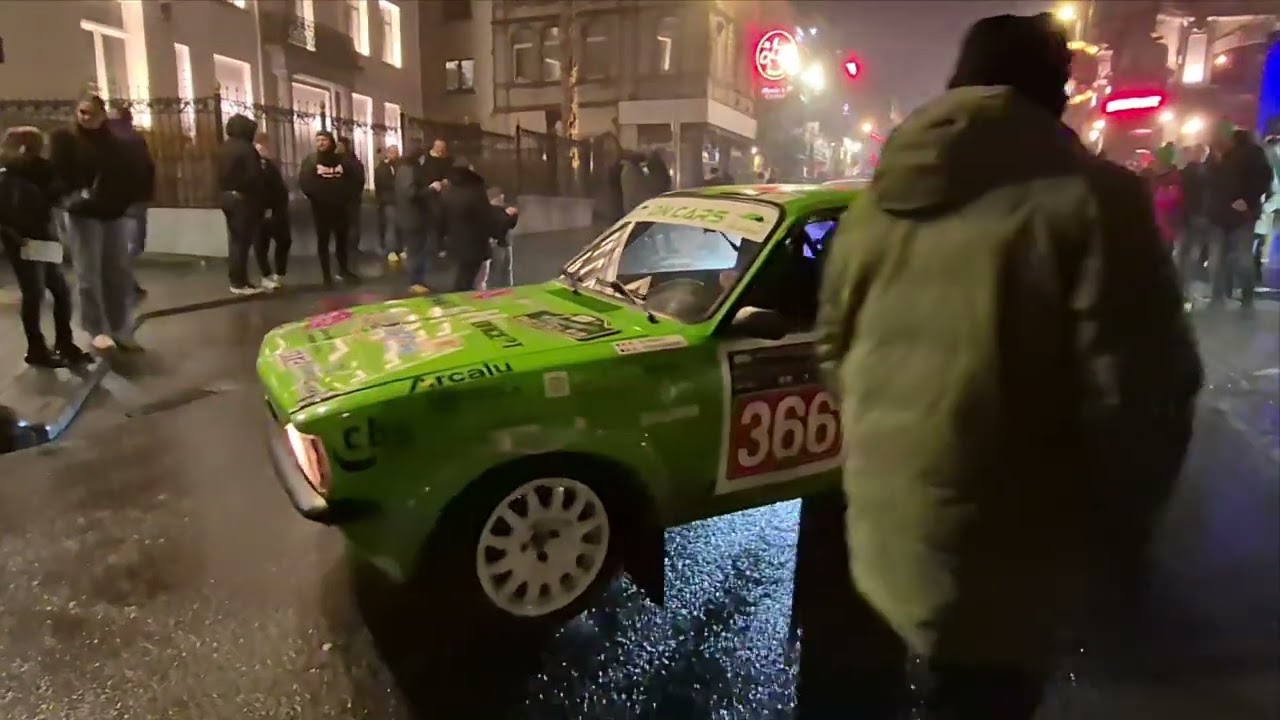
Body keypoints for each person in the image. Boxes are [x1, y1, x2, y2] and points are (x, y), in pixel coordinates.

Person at [815, 13, 1201, 719]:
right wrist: (1120, 539)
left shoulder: (873, 210)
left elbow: (833, 356)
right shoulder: (1098, 203)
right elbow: (1146, 394)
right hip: (1013, 557)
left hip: (885, 535)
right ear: (1054, 93)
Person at [49, 93, 142, 351]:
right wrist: (71, 197)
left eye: (91, 113)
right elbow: (56, 174)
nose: (85, 118)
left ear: (102, 115)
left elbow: (126, 173)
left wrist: (125, 199)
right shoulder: (65, 139)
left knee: (117, 271)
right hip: (83, 213)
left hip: (112, 211)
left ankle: (119, 326)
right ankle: (95, 327)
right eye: (81, 112)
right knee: (88, 272)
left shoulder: (113, 142)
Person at [0, 126, 91, 367]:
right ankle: (37, 349)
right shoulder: (8, 174)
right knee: (35, 294)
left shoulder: (41, 170)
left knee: (58, 291)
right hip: (24, 240)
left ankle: (63, 342)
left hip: (39, 236)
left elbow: (54, 196)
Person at [1206, 123, 1273, 308]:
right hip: (1220, 214)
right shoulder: (1217, 156)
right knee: (1218, 259)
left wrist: (1248, 199)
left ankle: (1245, 296)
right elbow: (1212, 184)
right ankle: (1218, 296)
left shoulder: (1251, 153)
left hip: (1242, 214)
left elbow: (1264, 178)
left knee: (1241, 258)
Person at [440, 159, 516, 292]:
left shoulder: (450, 192)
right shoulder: (475, 192)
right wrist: (504, 219)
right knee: (471, 280)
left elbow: (441, 218)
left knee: (464, 277)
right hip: (475, 245)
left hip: (456, 243)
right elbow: (485, 218)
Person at [299, 130, 361, 285]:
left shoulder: (342, 161)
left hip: (341, 207)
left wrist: (346, 197)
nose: (320, 143)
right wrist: (318, 197)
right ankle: (326, 275)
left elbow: (354, 179)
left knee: (342, 240)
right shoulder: (311, 161)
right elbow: (306, 182)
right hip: (321, 209)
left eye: (324, 140)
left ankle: (343, 270)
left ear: (330, 141)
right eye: (318, 140)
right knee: (323, 241)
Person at [107, 104, 155, 299]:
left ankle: (124, 282)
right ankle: (122, 283)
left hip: (113, 200)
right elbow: (146, 167)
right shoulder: (132, 139)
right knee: (133, 244)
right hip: (134, 199)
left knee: (119, 243)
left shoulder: (105, 138)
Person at [216, 114, 267, 295]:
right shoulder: (246, 149)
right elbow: (254, 176)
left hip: (226, 197)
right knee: (242, 242)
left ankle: (238, 280)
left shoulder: (224, 148)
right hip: (243, 200)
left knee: (235, 240)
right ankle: (239, 282)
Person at [254, 132, 290, 289]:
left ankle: (279, 273)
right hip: (263, 210)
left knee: (284, 240)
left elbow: (278, 187)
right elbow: (259, 187)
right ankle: (266, 274)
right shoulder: (255, 164)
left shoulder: (270, 164)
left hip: (278, 210)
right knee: (262, 243)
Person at [394, 146, 431, 293]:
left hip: (410, 216)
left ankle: (417, 280)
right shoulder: (409, 170)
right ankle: (415, 282)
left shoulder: (403, 169)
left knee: (416, 249)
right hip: (413, 217)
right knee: (417, 250)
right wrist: (431, 189)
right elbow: (411, 193)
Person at [1177, 143, 1212, 296]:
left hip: (1185, 215)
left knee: (1183, 252)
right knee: (1193, 253)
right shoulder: (1208, 173)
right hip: (1200, 216)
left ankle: (1181, 286)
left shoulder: (1183, 173)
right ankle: (1187, 289)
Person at [336, 136, 366, 259]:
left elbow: (359, 179)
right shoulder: (354, 161)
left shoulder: (345, 161)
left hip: (347, 198)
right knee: (350, 224)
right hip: (348, 198)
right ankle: (350, 247)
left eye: (339, 146)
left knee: (349, 224)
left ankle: (349, 248)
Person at [373, 144, 401, 263]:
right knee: (391, 225)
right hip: (388, 200)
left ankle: (397, 247)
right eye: (393, 152)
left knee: (397, 225)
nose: (396, 155)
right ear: (388, 153)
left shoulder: (399, 165)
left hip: (397, 200)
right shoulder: (382, 168)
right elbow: (383, 183)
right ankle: (390, 249)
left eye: (397, 152)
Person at [487, 188, 518, 288]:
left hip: (506, 242)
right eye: (499, 196)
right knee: (496, 268)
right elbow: (498, 226)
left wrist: (514, 215)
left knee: (507, 268)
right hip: (497, 243)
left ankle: (508, 287)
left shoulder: (503, 209)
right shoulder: (490, 211)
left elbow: (511, 225)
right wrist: (506, 215)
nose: (502, 198)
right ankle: (491, 288)